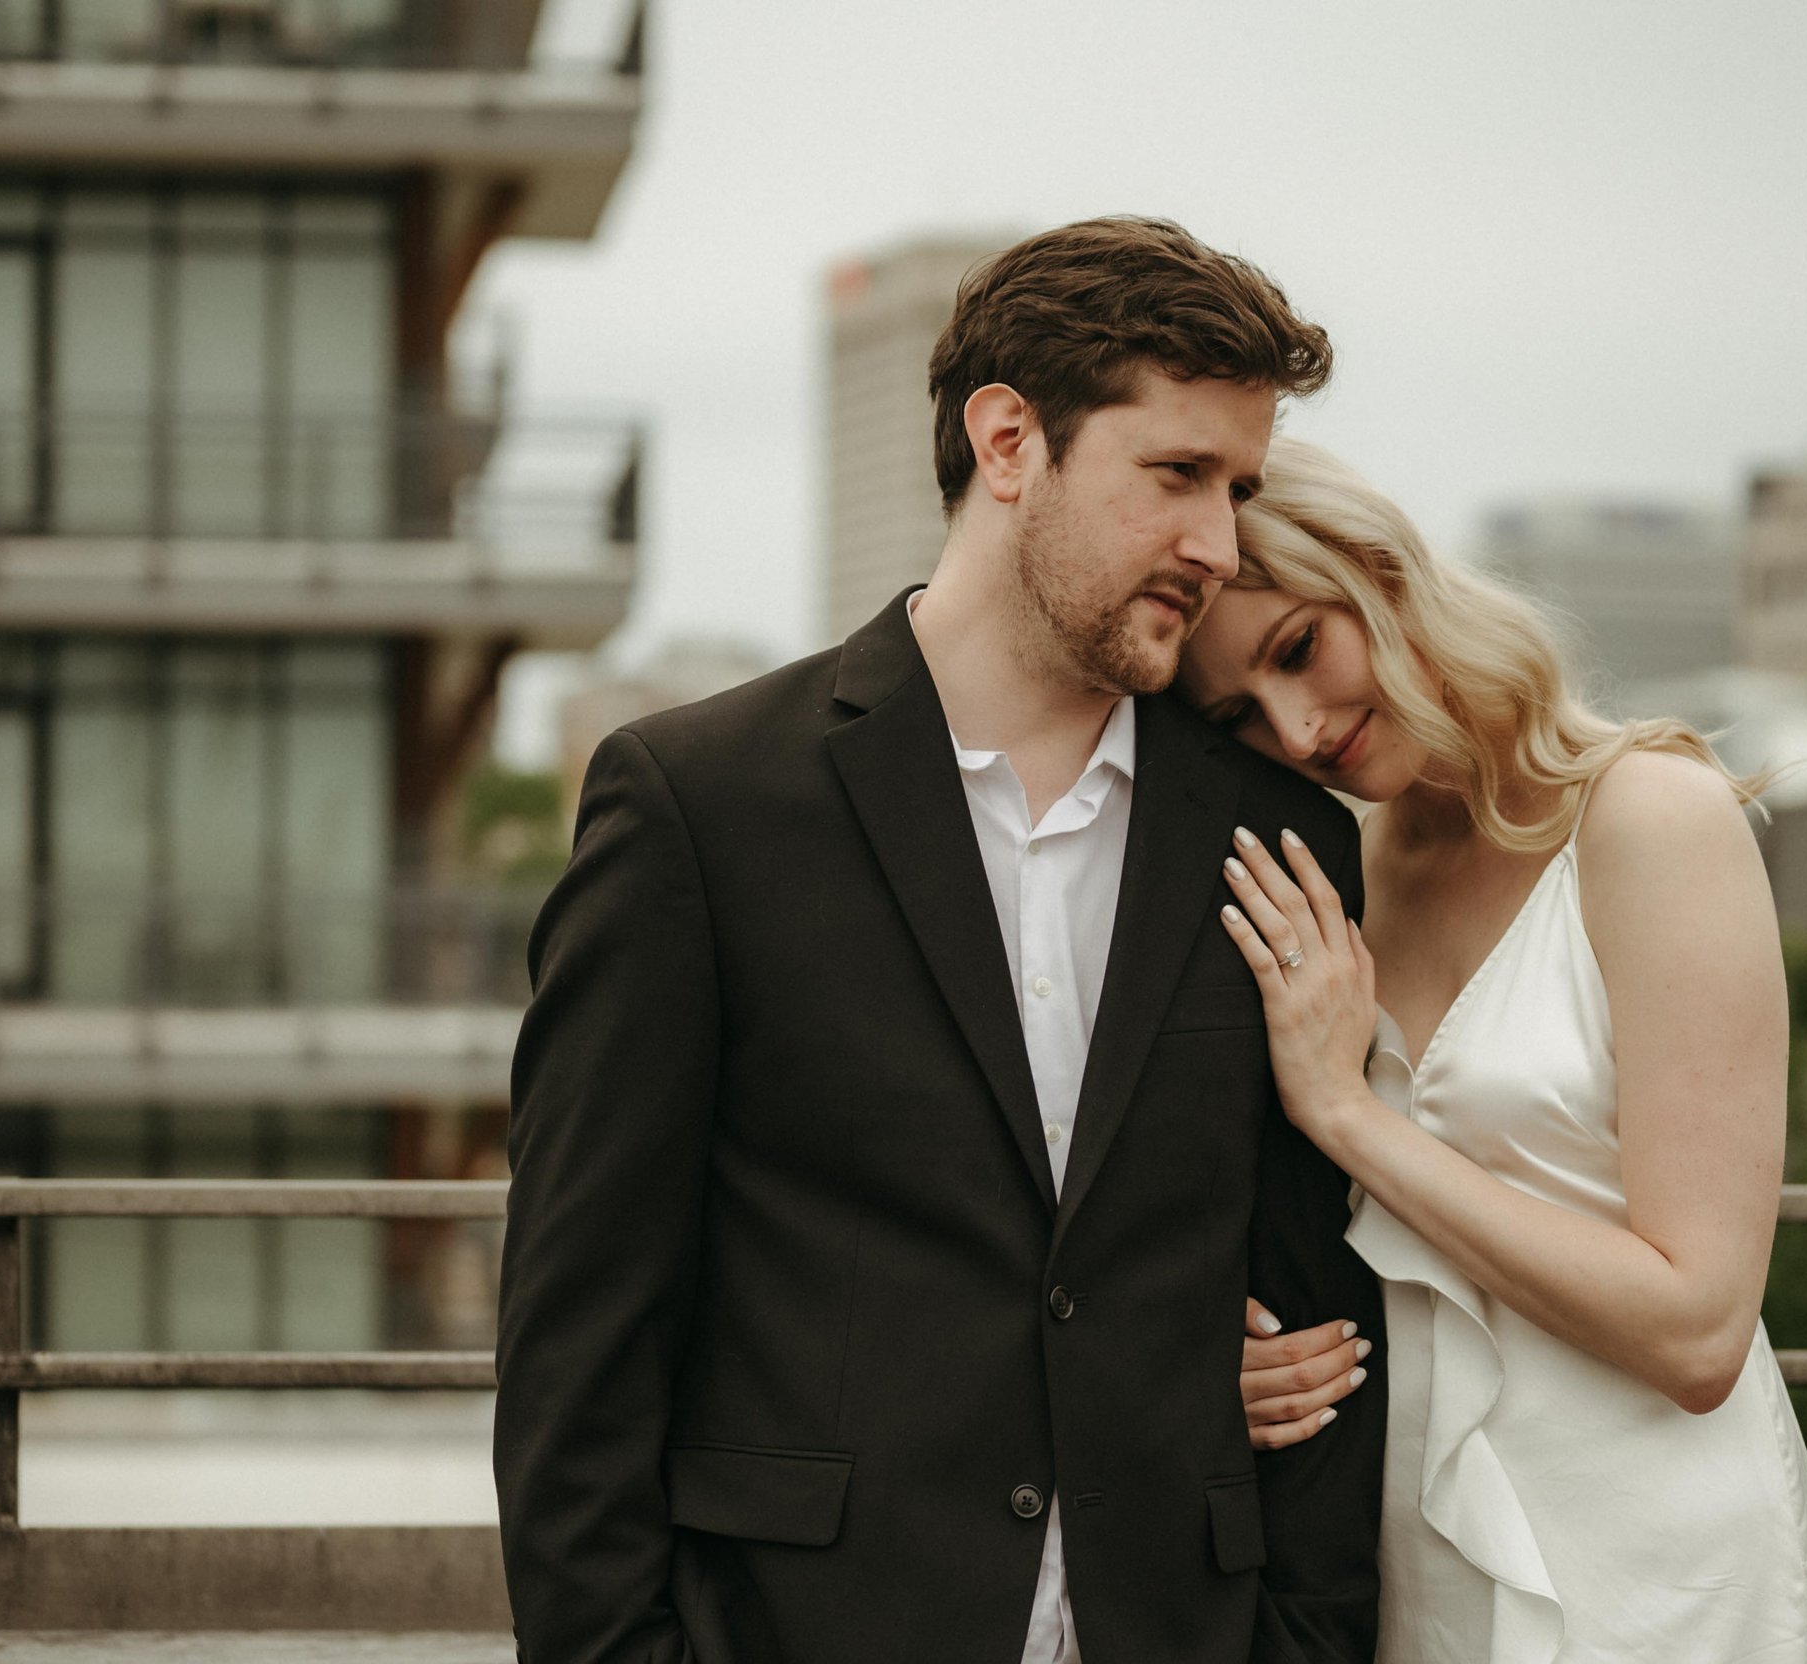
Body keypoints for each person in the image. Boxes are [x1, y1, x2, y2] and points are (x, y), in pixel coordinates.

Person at [495, 222, 1386, 1664]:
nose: (1220, 546)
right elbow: (578, 1340)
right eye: (1178, 476)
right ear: (1010, 439)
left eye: (1239, 490)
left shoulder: (1281, 840)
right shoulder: (699, 809)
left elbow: (1320, 1326)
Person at [1185, 438, 1807, 1664]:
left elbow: (1700, 1329)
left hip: (1658, 1564)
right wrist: (1213, 1353)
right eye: (1240, 712)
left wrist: (1349, 1114)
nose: (1295, 726)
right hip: (1416, 1546)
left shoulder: (1649, 815)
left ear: (1382, 573)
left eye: (1296, 650)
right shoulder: (1340, 882)